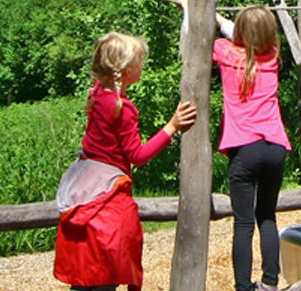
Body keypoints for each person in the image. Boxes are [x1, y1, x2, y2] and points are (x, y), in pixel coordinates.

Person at [54, 33, 198, 291]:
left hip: (84, 183)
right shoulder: (123, 108)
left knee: (85, 273)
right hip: (107, 192)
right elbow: (138, 156)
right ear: (127, 69)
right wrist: (172, 126)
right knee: (108, 267)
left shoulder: (97, 94)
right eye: (140, 60)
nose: (142, 65)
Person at [211, 5, 291, 291]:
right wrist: (218, 16)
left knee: (243, 223)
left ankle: (244, 287)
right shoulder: (273, 57)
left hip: (244, 149)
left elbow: (229, 35)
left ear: (241, 33)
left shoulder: (224, 51)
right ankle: (270, 283)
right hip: (275, 147)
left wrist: (197, 12)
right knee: (267, 216)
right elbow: (240, 33)